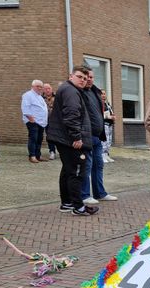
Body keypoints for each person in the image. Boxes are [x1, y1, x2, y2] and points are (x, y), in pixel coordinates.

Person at [46, 65, 98, 216]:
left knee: (68, 171)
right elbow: (71, 115)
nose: (83, 80)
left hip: (63, 138)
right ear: (71, 76)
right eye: (79, 77)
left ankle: (67, 203)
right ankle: (78, 206)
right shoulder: (71, 91)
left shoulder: (69, 90)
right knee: (76, 172)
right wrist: (77, 137)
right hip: (70, 140)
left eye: (85, 78)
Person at [81, 69, 116, 205]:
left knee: (99, 165)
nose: (89, 79)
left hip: (97, 136)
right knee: (87, 166)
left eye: (91, 77)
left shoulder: (95, 92)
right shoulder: (80, 93)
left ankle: (100, 193)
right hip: (87, 136)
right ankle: (84, 195)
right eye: (86, 77)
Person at [21, 80, 48, 163]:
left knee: (39, 139)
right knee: (33, 138)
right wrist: (31, 119)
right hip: (33, 121)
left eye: (41, 86)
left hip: (41, 122)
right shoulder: (28, 95)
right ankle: (32, 156)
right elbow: (25, 107)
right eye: (38, 86)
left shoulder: (39, 96)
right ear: (33, 86)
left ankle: (38, 155)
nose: (40, 88)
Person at [43, 83, 56, 160]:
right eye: (46, 89)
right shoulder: (40, 98)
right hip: (46, 121)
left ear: (51, 89)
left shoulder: (57, 96)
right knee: (50, 137)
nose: (47, 90)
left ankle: (61, 151)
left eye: (49, 88)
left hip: (56, 121)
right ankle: (52, 151)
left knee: (58, 136)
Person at [102, 91, 115, 163]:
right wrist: (109, 117)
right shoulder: (99, 104)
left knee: (109, 140)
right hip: (104, 124)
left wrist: (113, 116)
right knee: (105, 140)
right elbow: (100, 115)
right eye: (102, 94)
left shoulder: (107, 104)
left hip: (110, 124)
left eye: (104, 94)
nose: (103, 95)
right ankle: (102, 155)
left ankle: (107, 154)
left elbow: (111, 112)